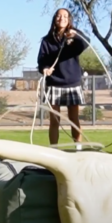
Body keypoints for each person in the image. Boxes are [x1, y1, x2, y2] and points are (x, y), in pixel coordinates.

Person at [37, 8, 89, 147]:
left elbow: (85, 44)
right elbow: (41, 61)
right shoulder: (47, 41)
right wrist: (45, 69)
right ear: (55, 18)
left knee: (74, 119)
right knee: (54, 120)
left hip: (73, 84)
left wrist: (75, 36)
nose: (62, 18)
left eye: (65, 16)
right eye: (59, 16)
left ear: (69, 19)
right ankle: (54, 149)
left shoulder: (74, 36)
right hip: (54, 84)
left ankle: (78, 148)